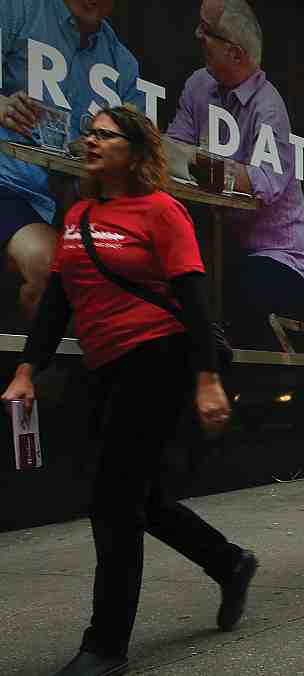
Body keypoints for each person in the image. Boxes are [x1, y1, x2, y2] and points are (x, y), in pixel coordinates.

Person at [2, 106, 256, 676]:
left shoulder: (162, 211)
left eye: (105, 135)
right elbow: (57, 303)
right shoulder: (78, 214)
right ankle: (229, 562)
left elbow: (194, 303)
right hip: (104, 364)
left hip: (158, 359)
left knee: (114, 502)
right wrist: (25, 370)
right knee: (140, 498)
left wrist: (208, 380)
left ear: (135, 151)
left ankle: (106, 646)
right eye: (89, 133)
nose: (90, 141)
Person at [166, 0, 304, 350]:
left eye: (207, 32)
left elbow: (265, 184)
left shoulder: (269, 108)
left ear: (234, 53)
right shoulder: (198, 85)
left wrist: (197, 161)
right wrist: (202, 162)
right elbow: (172, 149)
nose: (198, 35)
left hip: (276, 259)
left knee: (233, 288)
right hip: (222, 251)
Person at [0, 0, 141, 319]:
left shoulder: (122, 64)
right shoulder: (16, 9)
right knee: (49, 265)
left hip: (73, 204)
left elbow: (135, 150)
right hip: (6, 184)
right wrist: (3, 106)